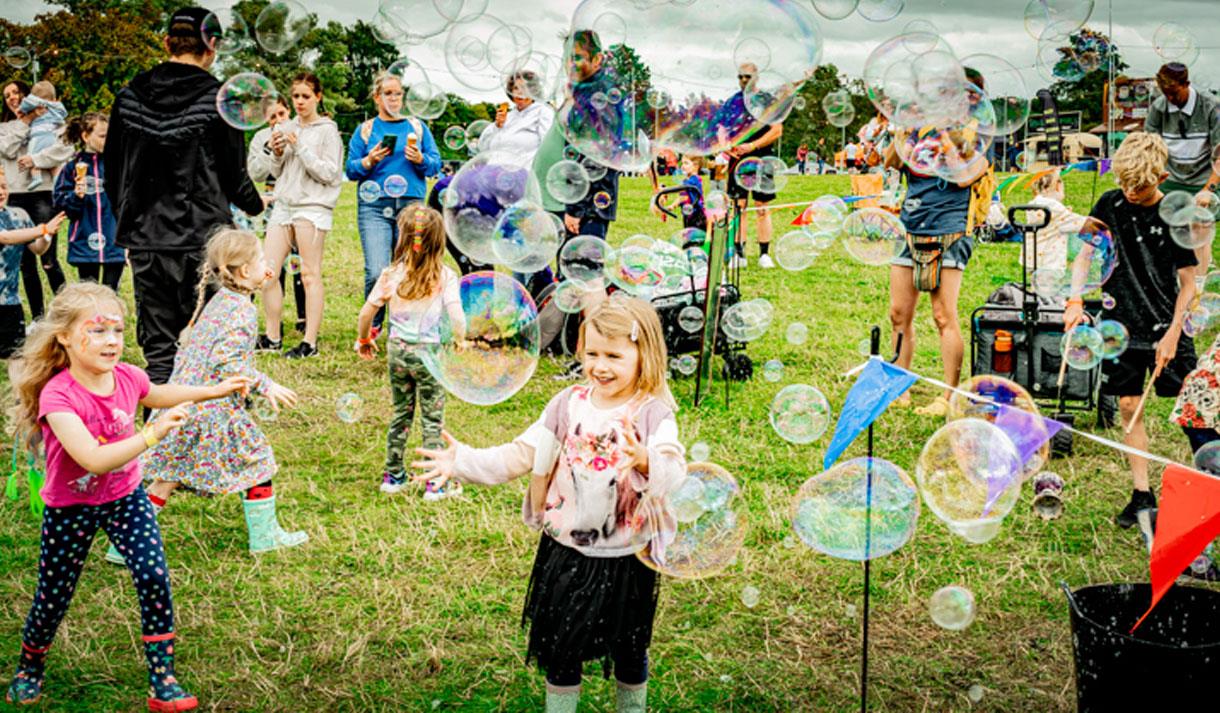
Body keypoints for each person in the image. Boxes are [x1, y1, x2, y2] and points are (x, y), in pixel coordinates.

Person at [412, 296, 685, 713]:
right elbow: (521, 454)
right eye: (592, 353)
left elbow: (674, 468)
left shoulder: (652, 415)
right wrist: (463, 461)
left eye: (614, 355)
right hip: (567, 550)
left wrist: (646, 459)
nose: (601, 366)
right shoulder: (566, 405)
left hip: (626, 555)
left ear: (644, 355)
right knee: (562, 647)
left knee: (630, 647)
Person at [5, 281, 250, 710]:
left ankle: (162, 679)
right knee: (54, 594)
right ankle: (30, 666)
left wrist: (212, 390)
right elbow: (93, 459)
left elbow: (155, 393)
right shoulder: (58, 396)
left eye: (117, 331)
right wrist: (151, 434)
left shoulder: (127, 376)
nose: (112, 341)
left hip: (125, 498)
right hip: (71, 508)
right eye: (97, 331)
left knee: (153, 576)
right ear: (64, 336)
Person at [103, 6, 265, 386]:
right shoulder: (220, 99)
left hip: (147, 237)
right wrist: (258, 205)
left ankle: (158, 437)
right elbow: (234, 174)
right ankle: (205, 437)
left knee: (159, 349)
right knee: (214, 345)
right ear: (213, 48)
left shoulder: (128, 96)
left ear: (166, 43)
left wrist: (128, 222)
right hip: (206, 240)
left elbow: (114, 172)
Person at [129, 229, 304, 562]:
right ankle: (266, 537)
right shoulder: (242, 312)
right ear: (242, 272)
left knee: (166, 479)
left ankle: (126, 547)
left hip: (183, 403)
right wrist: (266, 386)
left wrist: (259, 280)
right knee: (259, 460)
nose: (268, 265)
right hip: (213, 409)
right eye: (262, 260)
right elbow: (227, 363)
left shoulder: (222, 299)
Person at [1063, 132, 1198, 528]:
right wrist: (1074, 300)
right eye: (1124, 182)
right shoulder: (1110, 202)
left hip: (1164, 323)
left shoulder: (1176, 214)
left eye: (1138, 185)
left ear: (1162, 176)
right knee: (1126, 405)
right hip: (1119, 323)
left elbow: (1188, 282)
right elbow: (1084, 254)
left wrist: (1174, 333)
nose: (1130, 191)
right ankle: (1142, 493)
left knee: (1192, 411)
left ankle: (1206, 481)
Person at [355, 206, 465, 500]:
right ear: (439, 241)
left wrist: (364, 338)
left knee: (401, 413)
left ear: (402, 239)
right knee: (432, 419)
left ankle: (393, 476)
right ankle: (434, 484)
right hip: (430, 356)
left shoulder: (392, 274)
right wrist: (460, 339)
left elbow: (367, 313)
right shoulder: (445, 276)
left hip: (397, 353)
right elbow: (456, 317)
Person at [884, 122, 991, 416]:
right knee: (898, 313)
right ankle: (900, 389)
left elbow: (963, 178)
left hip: (951, 229)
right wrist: (902, 134)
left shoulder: (972, 134)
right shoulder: (915, 131)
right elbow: (890, 163)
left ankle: (948, 396)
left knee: (943, 315)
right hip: (910, 225)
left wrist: (946, 141)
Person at [345, 70, 442, 339]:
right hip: (374, 206)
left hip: (410, 208)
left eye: (398, 93)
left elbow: (435, 164)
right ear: (377, 97)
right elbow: (351, 170)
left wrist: (420, 158)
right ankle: (373, 326)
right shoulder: (366, 129)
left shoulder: (417, 127)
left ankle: (403, 326)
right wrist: (369, 160)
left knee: (410, 268)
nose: (394, 98)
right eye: (388, 93)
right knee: (376, 270)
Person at [258, 73, 343, 359]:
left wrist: (300, 147)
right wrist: (278, 153)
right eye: (296, 96)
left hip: (313, 207)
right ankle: (272, 337)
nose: (300, 102)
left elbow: (330, 173)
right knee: (267, 272)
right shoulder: (286, 126)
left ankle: (310, 342)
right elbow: (277, 171)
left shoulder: (327, 130)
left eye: (306, 96)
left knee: (309, 274)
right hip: (284, 205)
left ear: (318, 97)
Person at [1, 79, 72, 320]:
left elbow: (65, 148)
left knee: (49, 260)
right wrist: (27, 121)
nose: (11, 97)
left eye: (15, 92)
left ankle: (67, 316)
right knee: (26, 264)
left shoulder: (52, 121)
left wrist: (37, 160)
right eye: (6, 95)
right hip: (15, 198)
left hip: (42, 194)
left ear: (27, 94)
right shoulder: (6, 128)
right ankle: (38, 319)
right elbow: (7, 149)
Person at [1144, 62, 1220, 274]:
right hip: (1170, 179)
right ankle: (1173, 282)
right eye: (1165, 93)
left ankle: (1198, 288)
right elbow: (1149, 147)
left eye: (1174, 93)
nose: (1169, 98)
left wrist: (1208, 189)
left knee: (1199, 232)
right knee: (1168, 232)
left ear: (1186, 83)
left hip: (1203, 179)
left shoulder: (1211, 107)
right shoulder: (1158, 108)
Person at [247, 96, 306, 335]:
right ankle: (275, 320)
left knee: (301, 261)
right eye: (272, 117)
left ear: (288, 111)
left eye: (281, 114)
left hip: (300, 203)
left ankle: (304, 317)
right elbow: (256, 173)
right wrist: (269, 149)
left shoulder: (302, 131)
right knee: (275, 264)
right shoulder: (260, 139)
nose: (278, 120)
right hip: (273, 204)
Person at [51, 112, 125, 291]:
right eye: (102, 136)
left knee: (110, 293)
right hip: (84, 239)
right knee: (88, 294)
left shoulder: (117, 165)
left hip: (114, 240)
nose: (108, 140)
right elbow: (60, 204)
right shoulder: (71, 168)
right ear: (85, 136)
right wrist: (76, 196)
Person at [0, 169, 60, 380]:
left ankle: (19, 404)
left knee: (16, 356)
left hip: (9, 302)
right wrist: (41, 229)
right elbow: (5, 238)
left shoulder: (18, 215)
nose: (1, 192)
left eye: (4, 187)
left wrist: (46, 236)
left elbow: (37, 249)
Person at [725, 63, 782, 269]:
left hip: (762, 158)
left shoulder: (767, 101)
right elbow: (721, 129)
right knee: (738, 207)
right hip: (737, 158)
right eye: (740, 76)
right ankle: (739, 254)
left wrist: (753, 146)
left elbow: (777, 130)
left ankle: (764, 254)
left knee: (762, 206)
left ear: (756, 77)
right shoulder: (732, 102)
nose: (743, 81)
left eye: (747, 77)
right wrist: (727, 146)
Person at [477, 70, 554, 159]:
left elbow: (548, 147)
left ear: (533, 90)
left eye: (524, 88)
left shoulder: (543, 112)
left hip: (525, 169)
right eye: (516, 88)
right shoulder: (507, 116)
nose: (519, 92)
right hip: (496, 168)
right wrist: (497, 126)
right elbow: (482, 147)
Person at [1021, 171, 1085, 275]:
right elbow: (1076, 224)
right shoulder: (1055, 208)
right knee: (1048, 288)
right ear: (1057, 186)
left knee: (1037, 285)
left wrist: (1065, 212)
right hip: (1050, 260)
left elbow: (1052, 222)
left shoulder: (1034, 205)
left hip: (1031, 258)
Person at [16, 82, 66, 191]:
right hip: (51, 136)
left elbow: (23, 106)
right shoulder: (56, 106)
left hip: (38, 136)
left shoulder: (34, 104)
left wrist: (21, 111)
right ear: (54, 98)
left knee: (32, 158)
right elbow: (63, 114)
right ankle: (57, 180)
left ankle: (36, 178)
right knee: (55, 163)